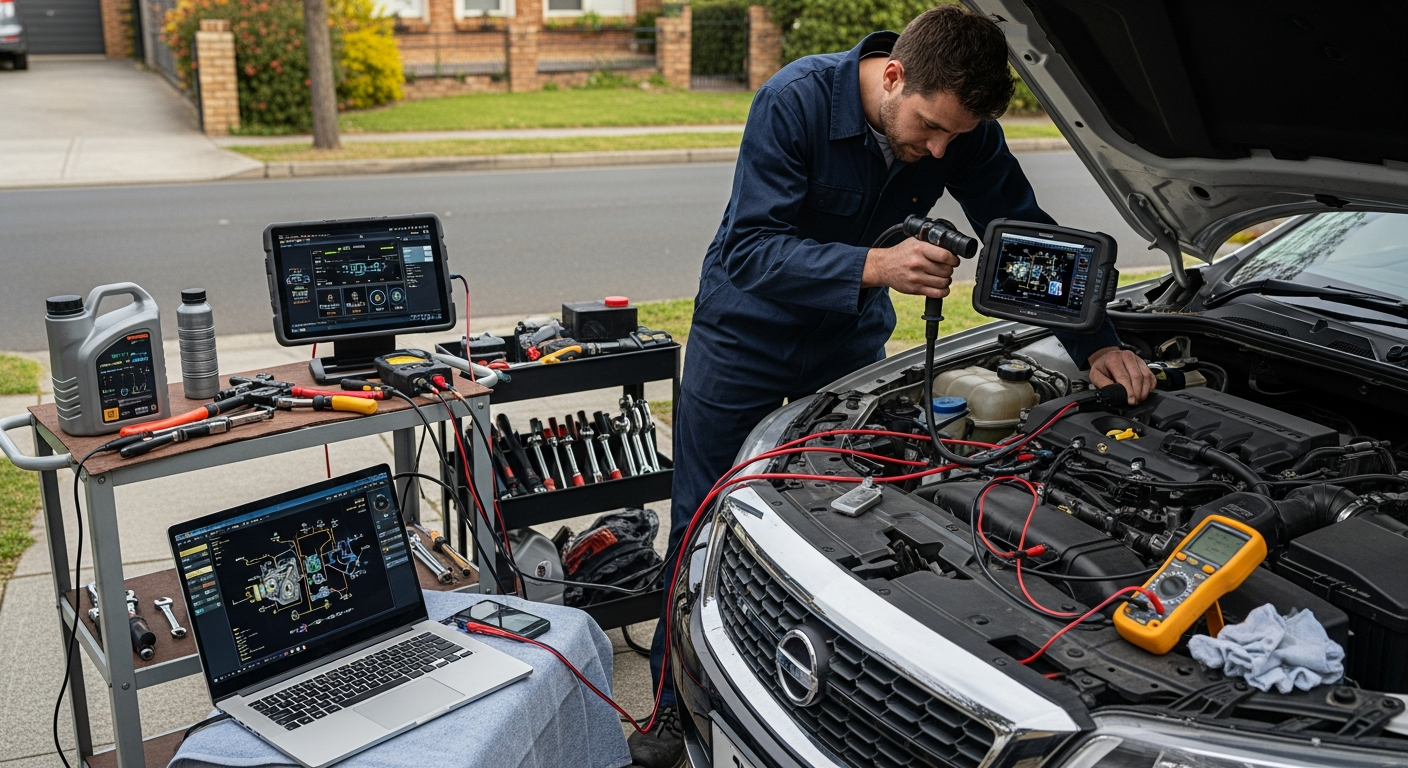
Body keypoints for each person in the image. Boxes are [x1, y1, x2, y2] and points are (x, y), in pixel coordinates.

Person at [628, 7, 1156, 765]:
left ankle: (820, 700)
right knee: (702, 516)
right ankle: (671, 711)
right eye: (930, 128)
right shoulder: (796, 100)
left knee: (840, 522)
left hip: (847, 343)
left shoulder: (960, 131)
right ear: (894, 76)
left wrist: (1097, 342)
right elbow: (750, 249)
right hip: (742, 335)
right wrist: (875, 266)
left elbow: (1022, 228)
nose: (939, 151)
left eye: (953, 137)